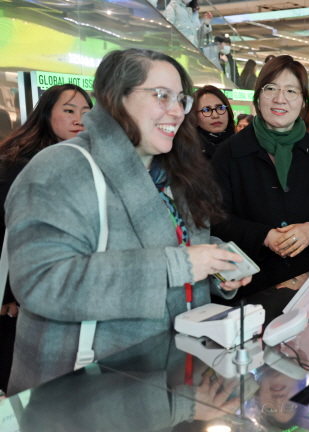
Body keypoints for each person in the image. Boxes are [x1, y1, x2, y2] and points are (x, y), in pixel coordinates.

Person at [5, 49, 250, 394]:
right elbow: (41, 281)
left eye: (181, 99)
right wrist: (180, 264)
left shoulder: (175, 175)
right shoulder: (59, 169)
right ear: (115, 98)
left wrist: (217, 268)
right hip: (82, 398)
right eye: (162, 96)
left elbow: (181, 261)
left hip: (169, 382)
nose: (178, 111)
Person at [210, 55, 309, 316]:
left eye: (291, 91)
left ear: (304, 101)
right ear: (258, 96)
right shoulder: (228, 153)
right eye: (271, 88)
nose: (280, 98)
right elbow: (216, 218)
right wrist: (264, 236)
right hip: (249, 290)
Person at [0, 84, 92, 394]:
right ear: (46, 114)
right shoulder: (19, 162)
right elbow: (9, 233)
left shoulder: (87, 159)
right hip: (20, 295)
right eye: (69, 111)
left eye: (86, 112)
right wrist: (7, 293)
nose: (79, 118)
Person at [192, 85, 235, 160]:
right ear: (195, 117)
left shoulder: (243, 145)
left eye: (220, 108)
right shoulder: (188, 151)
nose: (215, 115)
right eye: (206, 110)